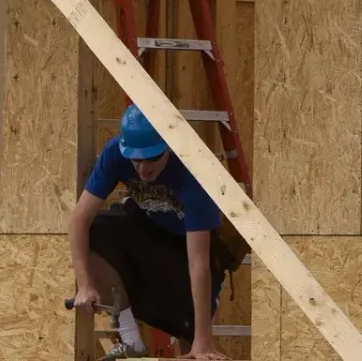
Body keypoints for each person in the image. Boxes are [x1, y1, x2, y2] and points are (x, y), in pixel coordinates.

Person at [69, 106, 241, 360]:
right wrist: (84, 284)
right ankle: (130, 338)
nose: (142, 168)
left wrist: (203, 340)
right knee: (97, 232)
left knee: (194, 343)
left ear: (168, 146)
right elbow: (78, 220)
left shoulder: (194, 171)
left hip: (190, 244)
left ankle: (197, 339)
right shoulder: (115, 153)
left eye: (151, 158)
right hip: (147, 228)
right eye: (135, 159)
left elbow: (198, 262)